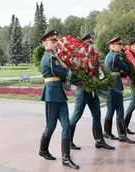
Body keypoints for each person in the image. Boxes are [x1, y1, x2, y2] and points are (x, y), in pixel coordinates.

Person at [38, 30, 79, 169]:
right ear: (45, 43)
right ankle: (43, 150)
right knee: (50, 126)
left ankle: (66, 158)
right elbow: (61, 73)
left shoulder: (54, 57)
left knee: (66, 125)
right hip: (51, 94)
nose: (55, 43)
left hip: (59, 94)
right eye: (53, 41)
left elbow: (64, 72)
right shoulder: (49, 58)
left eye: (56, 41)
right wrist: (77, 78)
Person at [69, 34, 115, 150]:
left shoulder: (93, 58)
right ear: (82, 45)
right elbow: (71, 75)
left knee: (97, 115)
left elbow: (98, 72)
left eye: (90, 43)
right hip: (83, 91)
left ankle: (99, 141)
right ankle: (68, 141)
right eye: (87, 43)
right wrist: (80, 83)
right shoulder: (76, 58)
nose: (89, 46)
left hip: (93, 91)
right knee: (76, 116)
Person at [104, 36, 135, 144]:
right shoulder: (116, 56)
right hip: (115, 86)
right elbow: (126, 68)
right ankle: (122, 135)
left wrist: (121, 73)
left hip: (110, 85)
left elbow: (113, 70)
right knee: (120, 111)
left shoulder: (109, 56)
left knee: (110, 110)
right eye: (119, 45)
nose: (121, 47)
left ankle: (107, 133)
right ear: (113, 46)